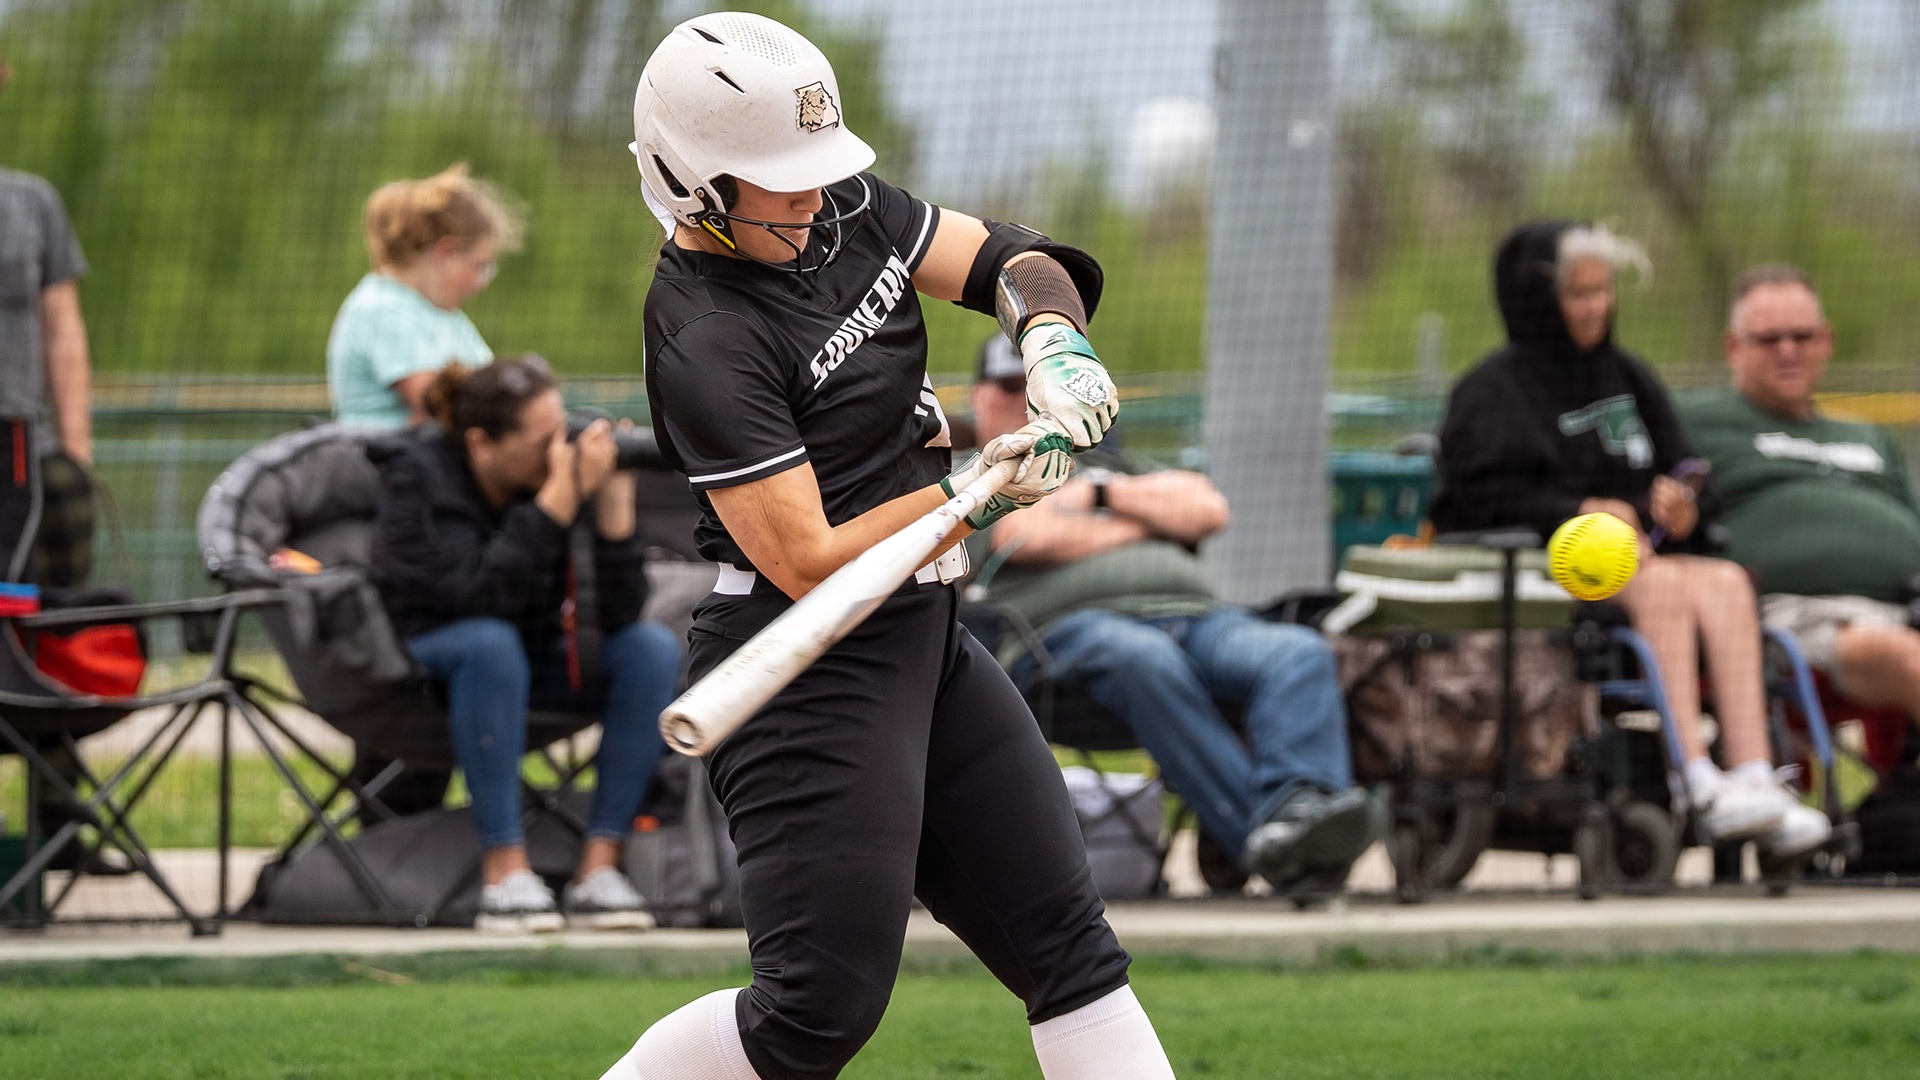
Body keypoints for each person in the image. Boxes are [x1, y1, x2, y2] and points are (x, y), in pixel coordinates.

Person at [603, 12, 1174, 1080]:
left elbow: (1010, 258)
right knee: (816, 1012)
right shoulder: (704, 335)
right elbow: (808, 558)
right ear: (694, 185)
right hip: (802, 662)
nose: (813, 199)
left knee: (1071, 952)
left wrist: (1051, 339)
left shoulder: (842, 210)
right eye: (779, 179)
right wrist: (975, 489)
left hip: (924, 629)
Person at [1429, 219, 1829, 859]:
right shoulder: (1491, 391)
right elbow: (1475, 498)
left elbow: (1687, 469)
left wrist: (1683, 509)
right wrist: (1578, 510)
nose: (1597, 307)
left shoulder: (1629, 376)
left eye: (1604, 291)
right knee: (1664, 584)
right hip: (1546, 575)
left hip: (1647, 558)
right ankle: (1694, 775)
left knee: (1725, 579)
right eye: (1579, 294)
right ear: (1541, 300)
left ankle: (1755, 775)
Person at [968, 336, 1376, 892]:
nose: (1027, 401)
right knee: (1144, 657)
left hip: (1195, 622)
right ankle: (1272, 836)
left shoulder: (1116, 467)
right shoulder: (980, 476)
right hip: (1058, 647)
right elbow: (1024, 534)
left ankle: (1300, 809)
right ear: (980, 400)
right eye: (1011, 388)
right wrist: (1149, 516)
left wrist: (1097, 497)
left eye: (1037, 387)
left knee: (1298, 652)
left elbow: (1206, 508)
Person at [367, 355, 681, 934]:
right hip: (426, 669)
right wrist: (556, 502)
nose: (556, 452)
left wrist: (614, 510)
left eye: (560, 432)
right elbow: (474, 594)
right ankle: (504, 875)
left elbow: (617, 616)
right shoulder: (419, 475)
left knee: (649, 649)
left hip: (527, 665)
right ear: (482, 443)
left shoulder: (549, 476)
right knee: (490, 644)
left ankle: (599, 870)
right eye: (541, 442)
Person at [1681, 265, 1920, 732]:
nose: (1788, 350)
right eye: (1769, 339)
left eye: (1802, 336)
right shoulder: (1697, 421)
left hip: (1904, 607)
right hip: (1790, 617)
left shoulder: (1869, 436)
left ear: (1825, 341)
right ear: (1734, 347)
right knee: (1905, 657)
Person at [1, 58, 114, 873]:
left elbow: (62, 324)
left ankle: (60, 824)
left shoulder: (30, 201)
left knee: (51, 630)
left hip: (32, 458)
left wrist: (75, 444)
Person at [327, 163, 519, 430]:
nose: (482, 283)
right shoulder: (381, 308)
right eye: (480, 266)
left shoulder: (442, 314)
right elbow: (441, 406)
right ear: (445, 253)